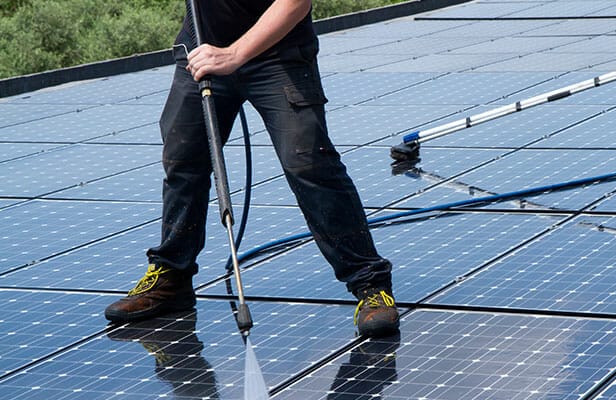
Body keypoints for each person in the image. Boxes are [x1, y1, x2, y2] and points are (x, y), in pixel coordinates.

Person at [104, 0, 399, 338]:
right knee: (183, 158)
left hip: (279, 54)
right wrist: (218, 54)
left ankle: (370, 284)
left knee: (308, 162)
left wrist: (233, 54)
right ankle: (171, 276)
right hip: (203, 47)